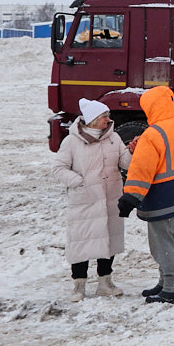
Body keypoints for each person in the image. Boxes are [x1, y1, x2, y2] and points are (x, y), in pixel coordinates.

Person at [118, 85, 174, 304]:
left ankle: (173, 287)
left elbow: (141, 170)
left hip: (163, 198)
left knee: (162, 244)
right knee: (168, 239)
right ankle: (164, 281)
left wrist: (130, 198)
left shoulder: (152, 135)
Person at [50, 98, 132, 302]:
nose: (108, 119)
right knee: (81, 242)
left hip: (110, 197)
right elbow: (58, 169)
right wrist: (79, 182)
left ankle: (105, 283)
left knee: (108, 239)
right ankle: (79, 285)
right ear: (93, 119)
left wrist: (132, 151)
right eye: (104, 116)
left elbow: (126, 163)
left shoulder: (114, 138)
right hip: (85, 199)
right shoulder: (71, 141)